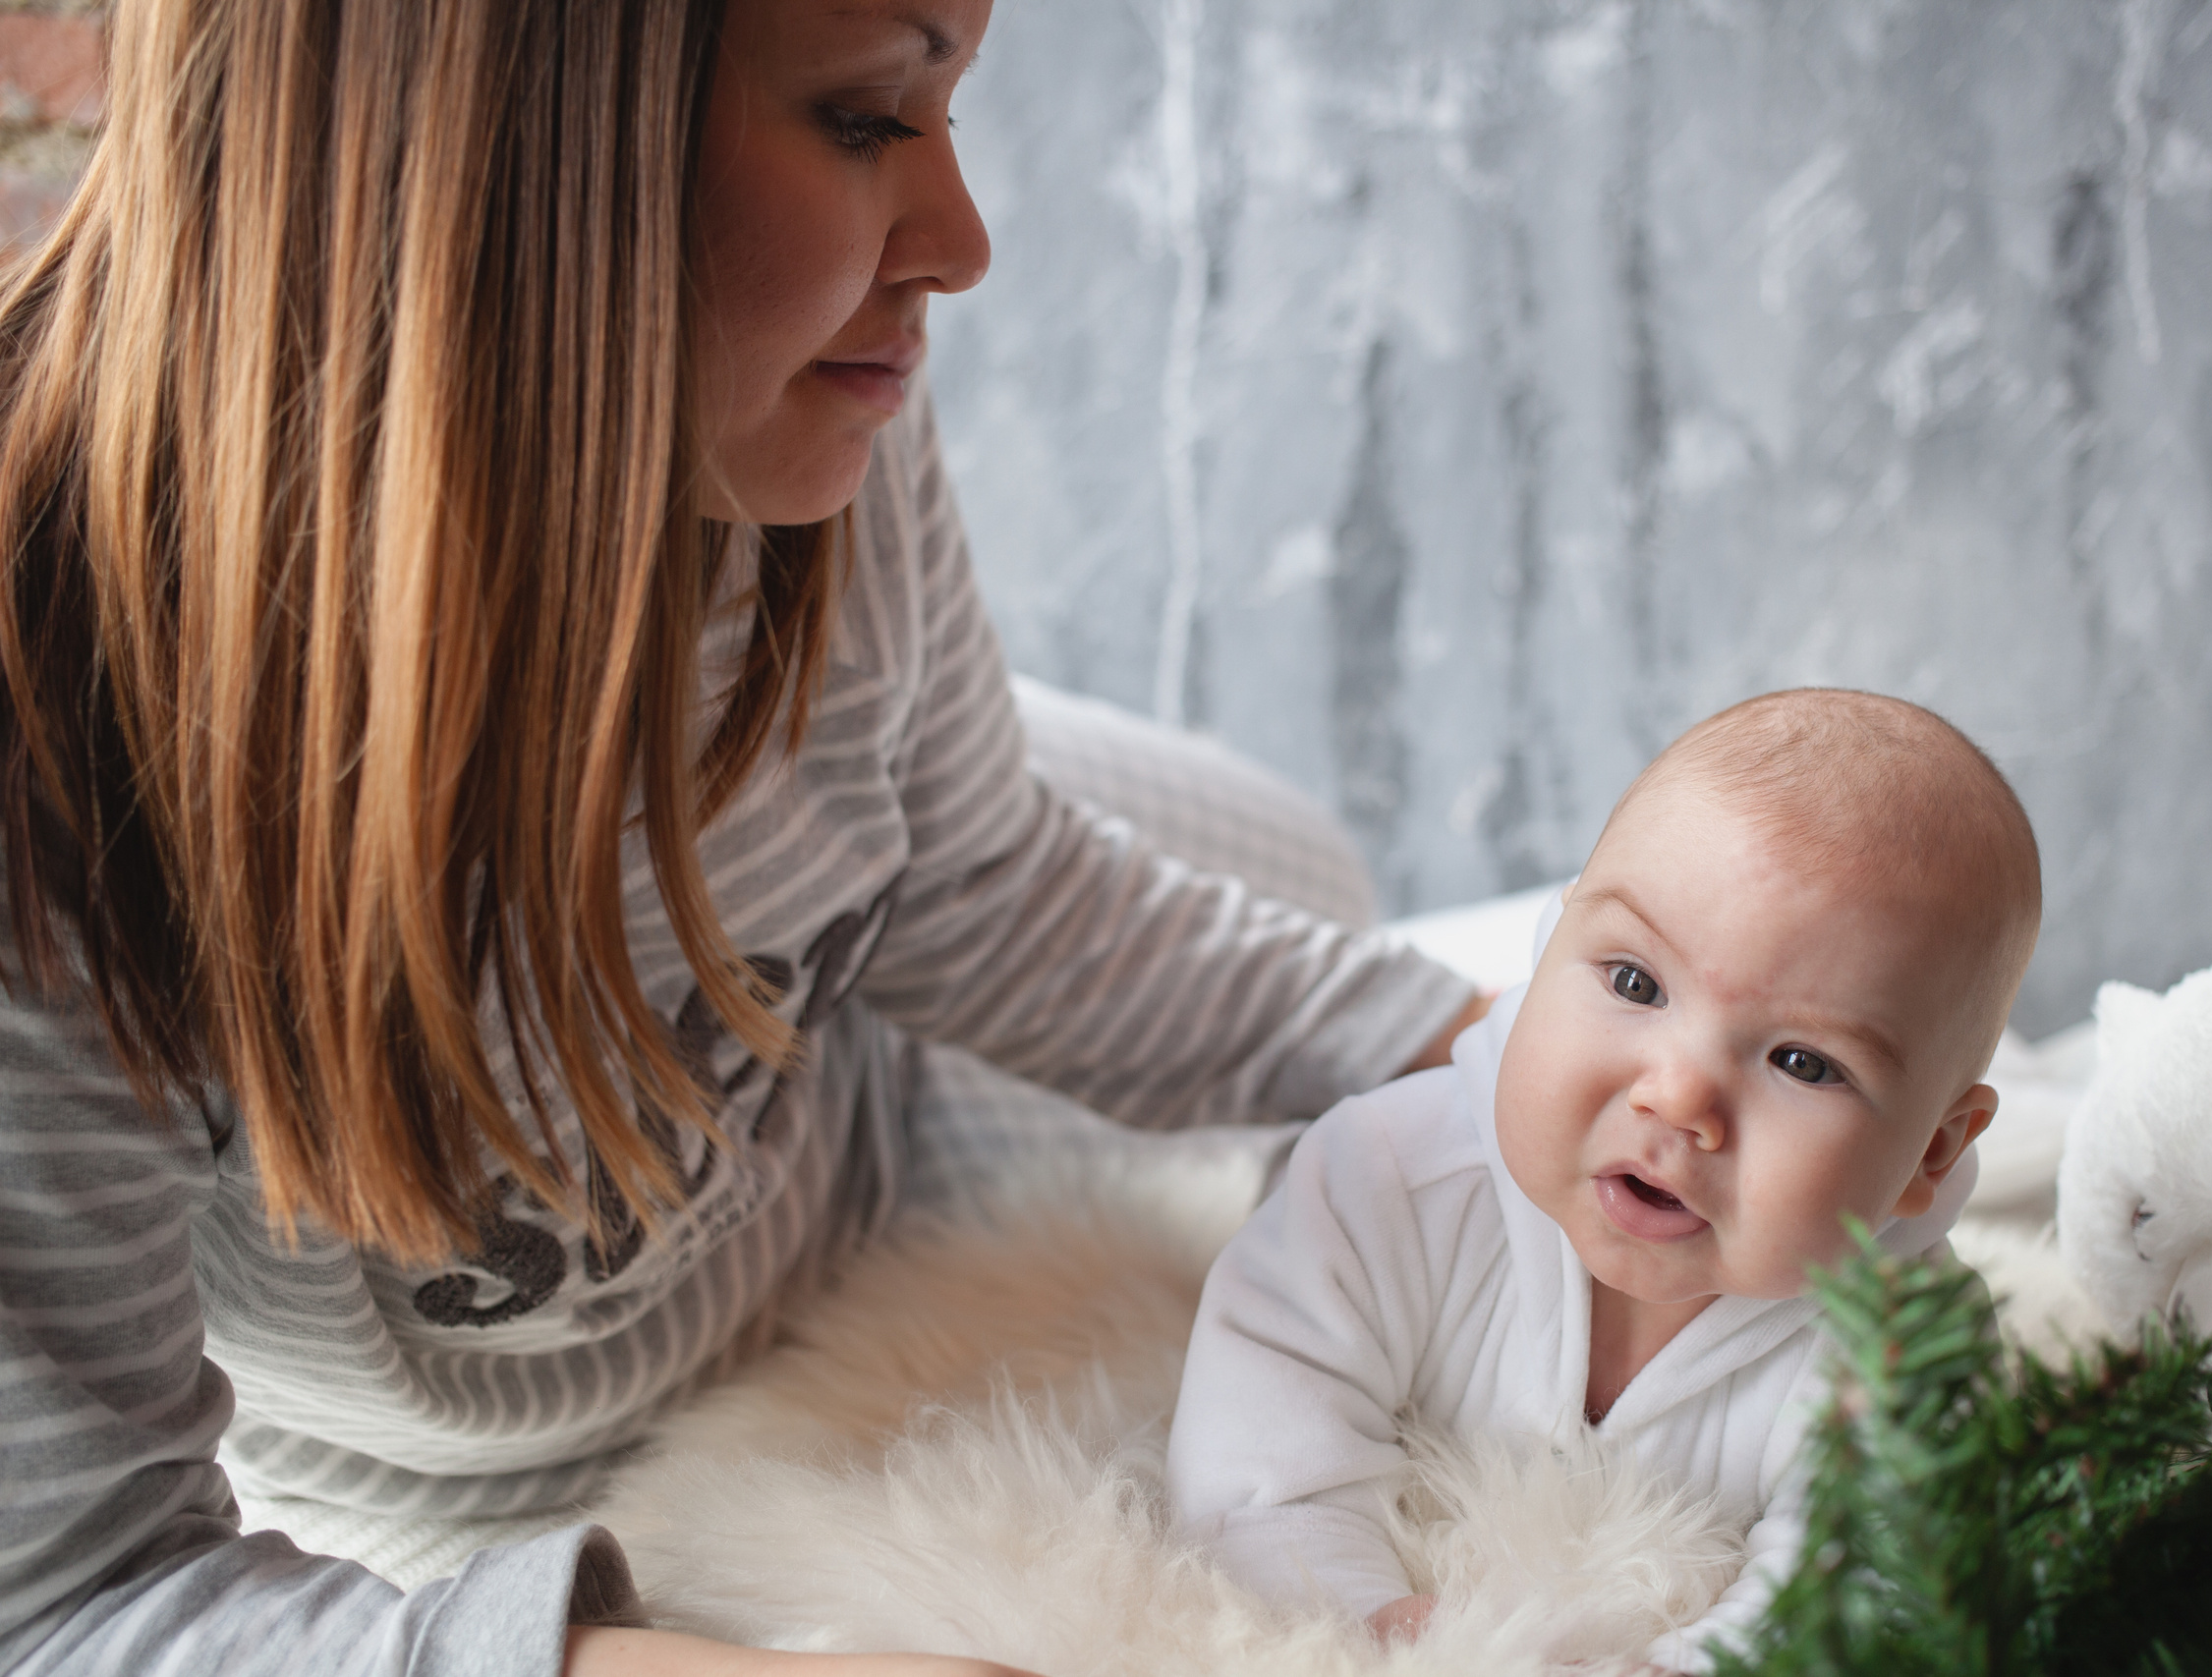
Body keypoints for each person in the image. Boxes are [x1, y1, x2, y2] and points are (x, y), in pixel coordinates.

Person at [0, 3, 1489, 1675]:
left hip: (841, 1144)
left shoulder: (807, 394)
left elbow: (976, 877)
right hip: (465, 1487)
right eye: (866, 119)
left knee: (1310, 882)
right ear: (495, 152)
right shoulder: (54, 718)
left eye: (947, 106)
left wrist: (1512, 1052)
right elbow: (72, 1596)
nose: (965, 245)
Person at [1164, 689, 2042, 1673]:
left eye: (1802, 1063)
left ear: (1932, 1151)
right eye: (1635, 982)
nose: (1677, 1098)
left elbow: (1873, 1581)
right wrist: (1362, 1622)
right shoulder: (1384, 1177)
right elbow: (1257, 1443)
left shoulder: (1906, 1344)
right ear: (1547, 950)